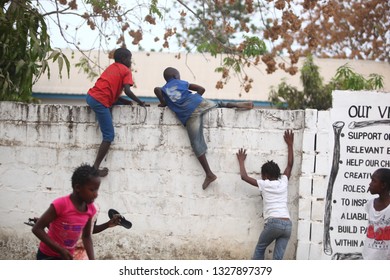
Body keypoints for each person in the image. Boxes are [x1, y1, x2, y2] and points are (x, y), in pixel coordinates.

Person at [154, 67, 254, 190]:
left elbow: (159, 94)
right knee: (219, 104)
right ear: (175, 76)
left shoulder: (163, 90)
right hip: (198, 102)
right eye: (178, 75)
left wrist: (165, 102)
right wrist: (194, 99)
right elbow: (201, 89)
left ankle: (209, 173)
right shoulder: (182, 83)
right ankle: (238, 105)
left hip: (188, 114)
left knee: (196, 143)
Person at [87, 47, 148, 177]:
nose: (130, 62)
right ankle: (95, 168)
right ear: (124, 59)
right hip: (100, 101)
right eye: (130, 59)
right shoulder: (126, 71)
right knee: (109, 136)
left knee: (112, 104)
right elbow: (127, 91)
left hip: (91, 97)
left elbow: (110, 91)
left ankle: (95, 167)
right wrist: (140, 102)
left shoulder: (112, 68)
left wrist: (125, 102)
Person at [236, 130, 294, 260]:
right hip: (287, 224)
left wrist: (241, 160)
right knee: (278, 259)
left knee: (260, 248)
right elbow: (290, 165)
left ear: (266, 175)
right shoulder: (283, 181)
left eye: (262, 174)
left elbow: (244, 177)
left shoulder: (265, 184)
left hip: (274, 222)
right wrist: (290, 144)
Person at [32, 164, 100, 260]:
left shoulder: (91, 209)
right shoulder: (61, 204)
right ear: (78, 188)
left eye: (97, 189)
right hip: (48, 255)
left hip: (66, 256)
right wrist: (60, 250)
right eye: (92, 189)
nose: (96, 194)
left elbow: (87, 236)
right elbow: (37, 229)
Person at [362, 168, 390, 260]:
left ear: (383, 185)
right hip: (368, 256)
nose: (370, 184)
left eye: (374, 181)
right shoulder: (370, 204)